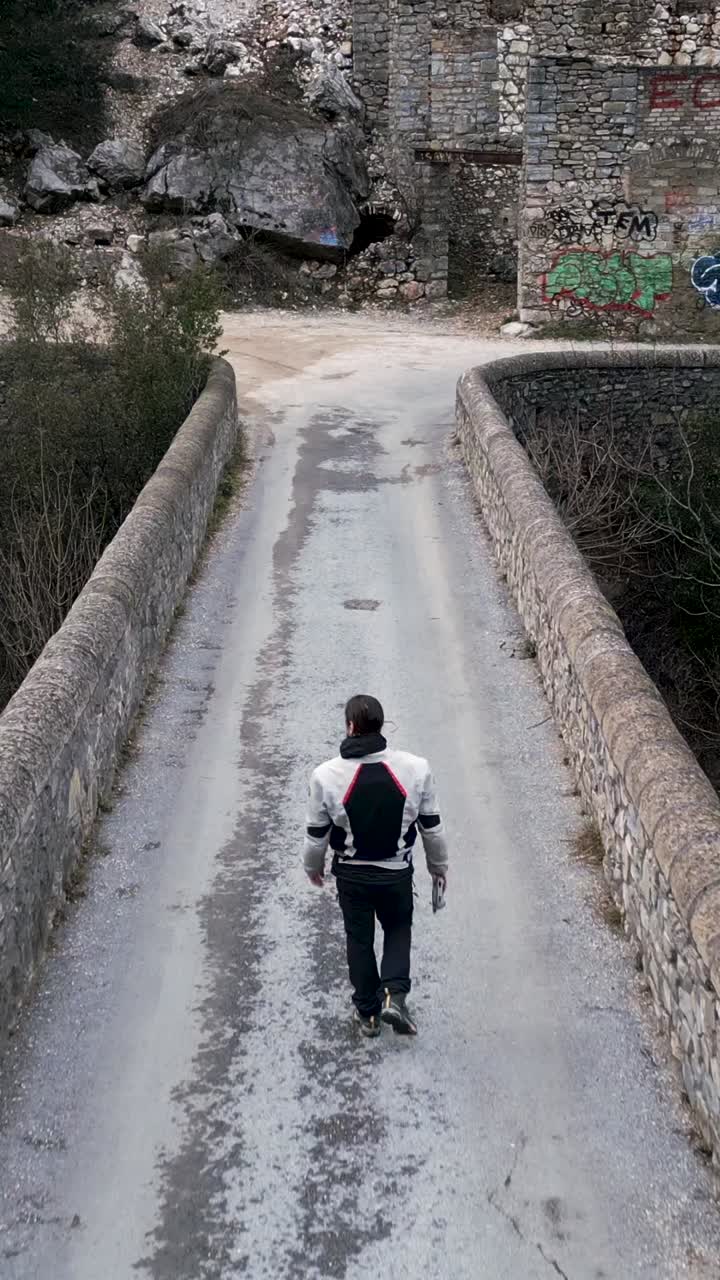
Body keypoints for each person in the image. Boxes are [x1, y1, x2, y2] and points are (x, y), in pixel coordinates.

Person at [303, 694, 448, 1038]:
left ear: (350, 726)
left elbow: (316, 835)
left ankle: (367, 1014)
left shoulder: (325, 775)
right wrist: (438, 867)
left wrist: (314, 866)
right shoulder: (416, 769)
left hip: (351, 874)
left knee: (359, 939)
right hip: (396, 873)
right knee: (398, 929)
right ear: (381, 726)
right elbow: (432, 828)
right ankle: (394, 997)